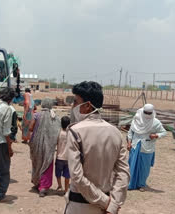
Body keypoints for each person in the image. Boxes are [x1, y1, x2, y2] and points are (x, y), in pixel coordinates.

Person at [65, 81, 130, 214]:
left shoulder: (75, 131)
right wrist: (113, 204)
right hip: (106, 207)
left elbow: (77, 176)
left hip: (80, 205)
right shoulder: (115, 132)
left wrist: (105, 202)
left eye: (76, 102)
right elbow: (123, 173)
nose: (73, 106)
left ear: (87, 105)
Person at [127, 104, 166, 192]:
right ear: (143, 111)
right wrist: (129, 142)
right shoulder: (137, 119)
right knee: (132, 165)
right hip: (135, 145)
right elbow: (130, 132)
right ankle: (130, 184)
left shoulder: (155, 122)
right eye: (146, 113)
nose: (147, 115)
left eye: (149, 113)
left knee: (144, 167)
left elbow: (164, 132)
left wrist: (156, 135)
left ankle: (141, 184)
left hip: (147, 147)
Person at [29, 98, 61, 197]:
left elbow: (30, 128)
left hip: (36, 143)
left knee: (37, 162)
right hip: (49, 145)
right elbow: (58, 130)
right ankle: (43, 187)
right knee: (47, 164)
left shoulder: (37, 115)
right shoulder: (55, 117)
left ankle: (37, 182)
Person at [55, 116, 71, 193]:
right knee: (67, 175)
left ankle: (59, 185)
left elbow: (56, 143)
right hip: (68, 158)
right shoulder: (70, 134)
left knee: (58, 173)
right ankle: (66, 189)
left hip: (59, 157)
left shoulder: (59, 133)